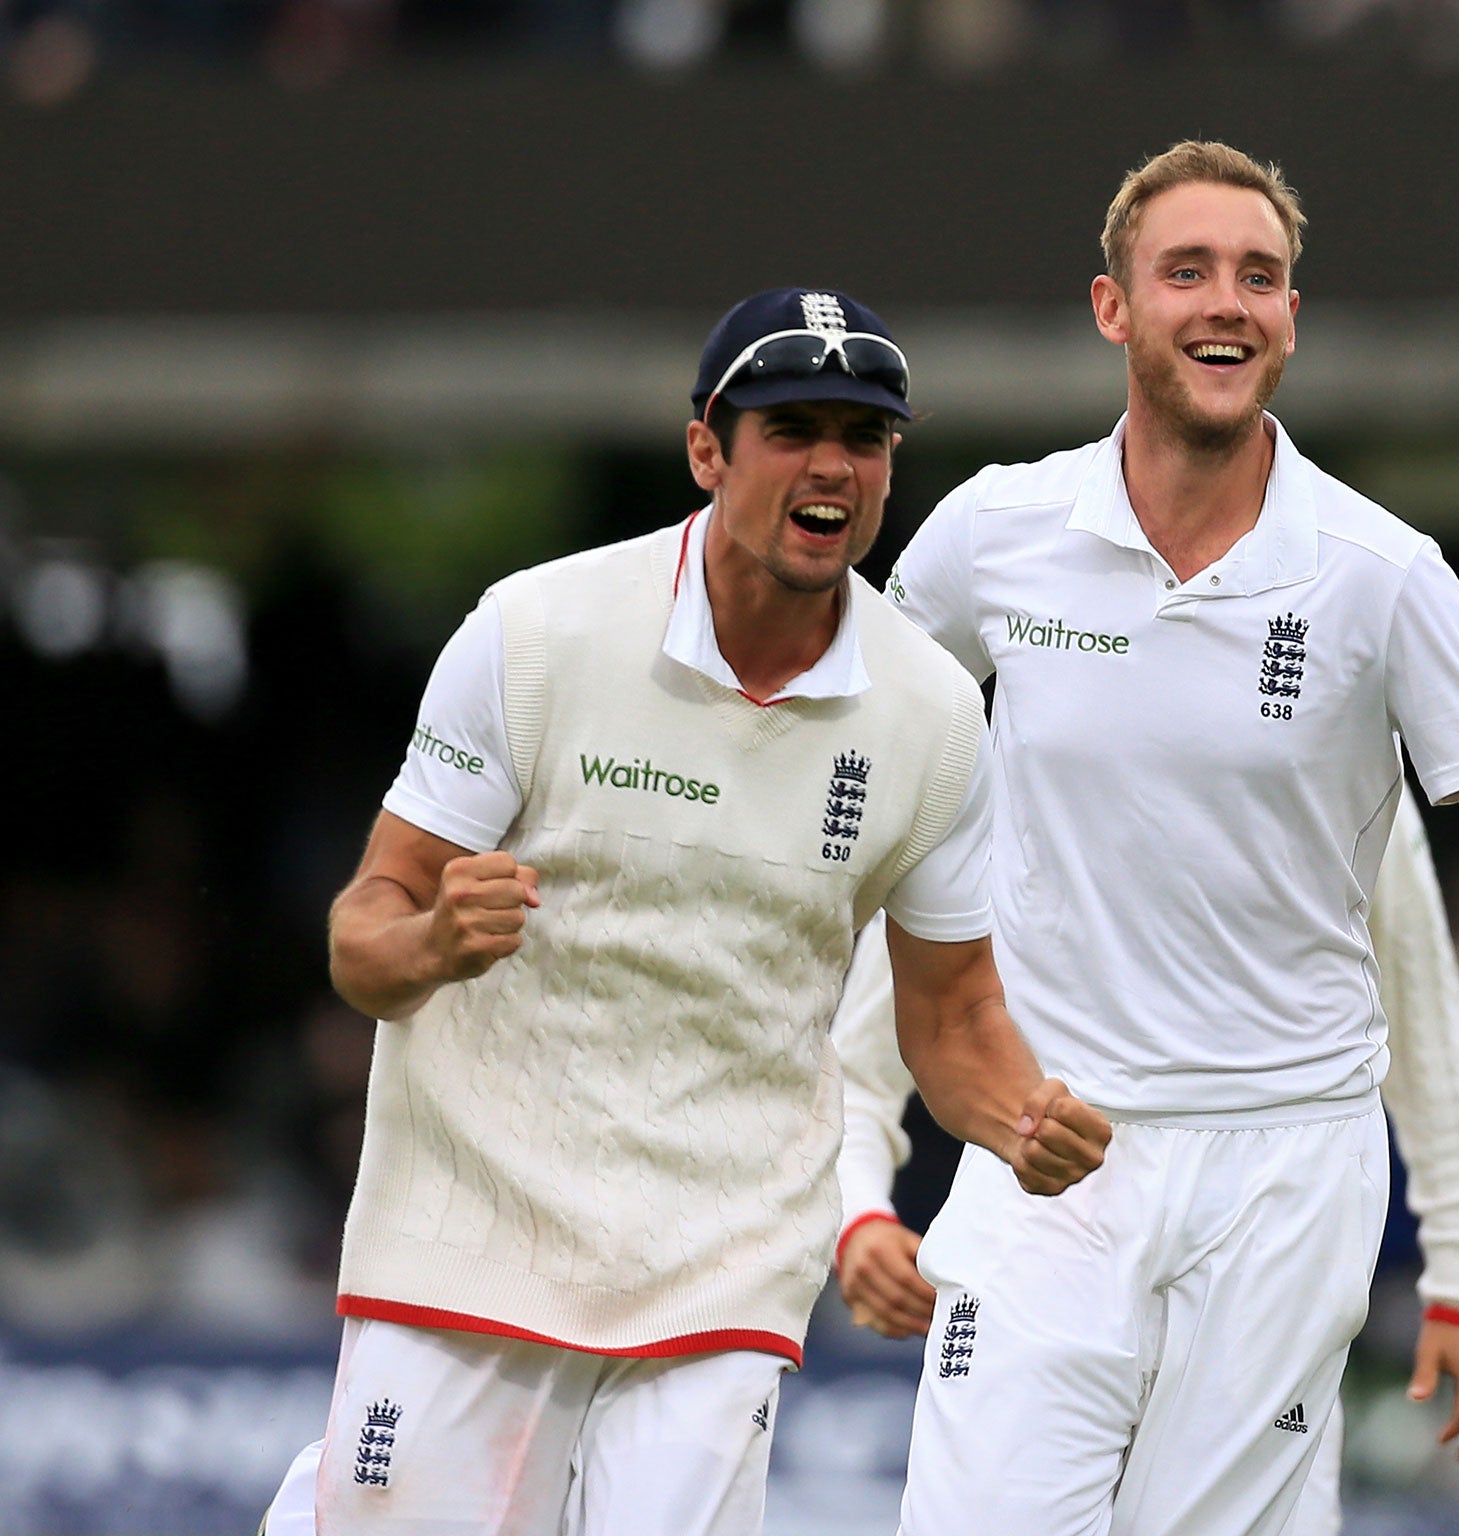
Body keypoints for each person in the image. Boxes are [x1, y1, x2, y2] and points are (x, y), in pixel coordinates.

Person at [258, 286, 1111, 1536]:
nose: (833, 464)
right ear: (708, 448)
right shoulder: (536, 632)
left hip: (721, 1262)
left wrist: (1021, 1117)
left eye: (865, 436)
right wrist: (434, 943)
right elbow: (362, 934)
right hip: (472, 1234)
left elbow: (954, 1015)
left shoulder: (931, 714)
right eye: (792, 428)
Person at [878, 142, 1459, 1536]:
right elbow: (857, 770)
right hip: (1050, 1153)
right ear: (1114, 309)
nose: (1228, 303)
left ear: (1291, 319)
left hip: (1283, 1174)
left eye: (1261, 278)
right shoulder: (995, 533)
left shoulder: (1379, 574)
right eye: (1189, 272)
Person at [831, 783, 1459, 1530]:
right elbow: (869, 1057)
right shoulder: (1010, 745)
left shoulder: (1340, 733)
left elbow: (1425, 1030)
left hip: (1271, 1252)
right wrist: (858, 1213)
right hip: (1043, 1243)